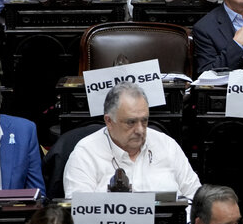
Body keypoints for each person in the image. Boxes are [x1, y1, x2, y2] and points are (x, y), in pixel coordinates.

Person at [63, 82, 200, 198]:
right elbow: (80, 216)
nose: (140, 130)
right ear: (109, 121)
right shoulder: (85, 154)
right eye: (131, 122)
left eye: (144, 121)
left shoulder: (167, 145)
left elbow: (195, 200)